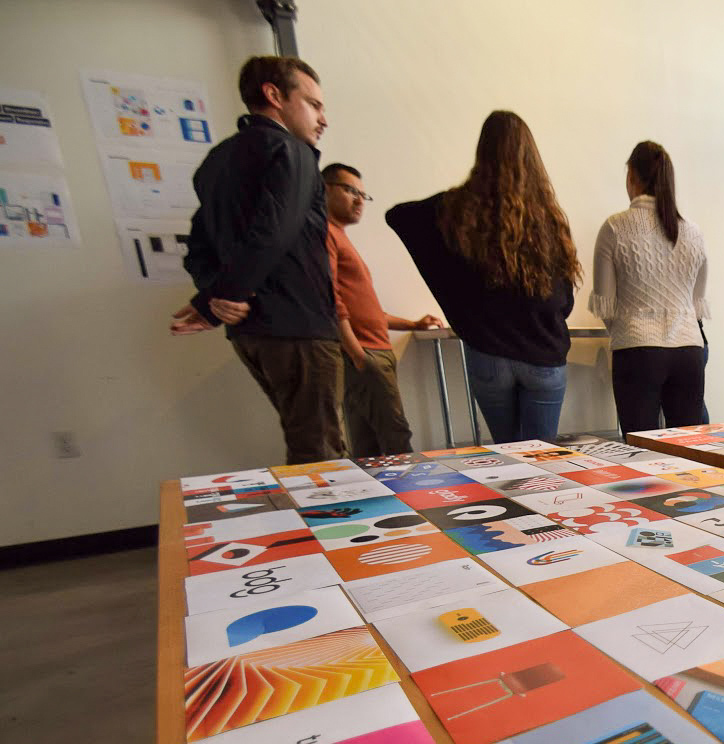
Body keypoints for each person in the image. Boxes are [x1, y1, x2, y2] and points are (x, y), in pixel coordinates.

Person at [173, 56, 346, 464]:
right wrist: (227, 294)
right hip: (297, 323)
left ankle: (318, 523)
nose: (323, 119)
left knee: (304, 439)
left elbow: (199, 243)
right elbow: (275, 229)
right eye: (315, 104)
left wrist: (212, 300)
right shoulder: (294, 152)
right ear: (273, 95)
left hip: (250, 331)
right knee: (321, 450)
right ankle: (331, 527)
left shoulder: (216, 161)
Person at [386, 111, 580, 444]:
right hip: (543, 356)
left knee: (507, 456)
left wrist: (457, 200)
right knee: (543, 462)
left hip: (489, 356)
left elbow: (399, 216)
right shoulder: (546, 218)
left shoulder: (459, 214)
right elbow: (563, 300)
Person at [322, 163, 443, 457]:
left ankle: (382, 499)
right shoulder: (325, 234)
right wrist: (357, 354)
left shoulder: (339, 236)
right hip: (365, 354)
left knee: (370, 444)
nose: (360, 200)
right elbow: (329, 297)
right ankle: (409, 499)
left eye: (364, 195)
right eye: (351, 191)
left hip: (370, 352)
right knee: (395, 437)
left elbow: (370, 312)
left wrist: (413, 324)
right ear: (325, 189)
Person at [590, 141, 710, 436]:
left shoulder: (615, 227)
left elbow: (605, 305)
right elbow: (697, 303)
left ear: (632, 175)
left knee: (641, 454)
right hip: (689, 351)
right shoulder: (693, 232)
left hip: (637, 350)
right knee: (689, 450)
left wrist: (629, 327)